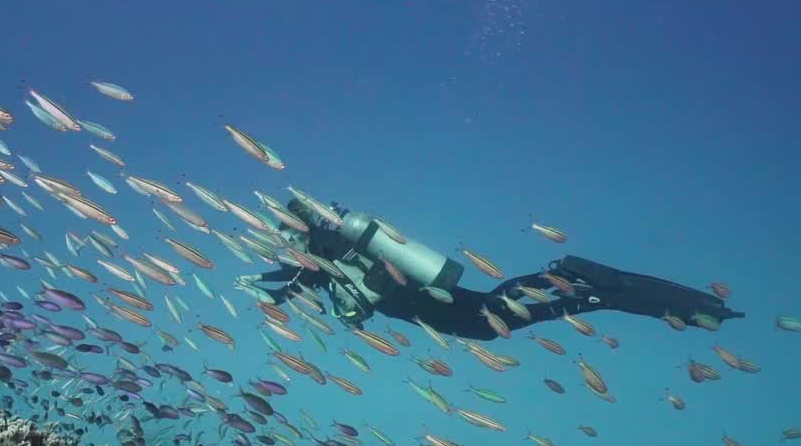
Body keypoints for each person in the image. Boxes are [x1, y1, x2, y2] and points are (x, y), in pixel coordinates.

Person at [235, 199, 743, 340]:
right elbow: (300, 282)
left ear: (298, 231)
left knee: (493, 313)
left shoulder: (324, 258)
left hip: (451, 312)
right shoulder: (329, 258)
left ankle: (576, 280)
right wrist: (274, 287)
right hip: (442, 310)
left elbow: (297, 282)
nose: (283, 241)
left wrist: (266, 290)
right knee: (496, 310)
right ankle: (588, 291)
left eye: (285, 233)